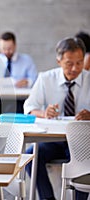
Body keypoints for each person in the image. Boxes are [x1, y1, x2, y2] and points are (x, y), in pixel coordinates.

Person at [24, 37, 90, 200]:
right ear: (58, 61)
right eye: (69, 63)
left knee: (85, 163)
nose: (75, 68)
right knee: (31, 156)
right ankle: (48, 198)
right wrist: (44, 113)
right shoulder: (45, 78)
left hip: (82, 142)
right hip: (53, 140)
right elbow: (29, 108)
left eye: (79, 63)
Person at [0, 31, 38, 123]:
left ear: (15, 46)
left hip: (19, 99)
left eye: (9, 48)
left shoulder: (26, 60)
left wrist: (28, 81)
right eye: (3, 48)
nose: (6, 51)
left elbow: (35, 79)